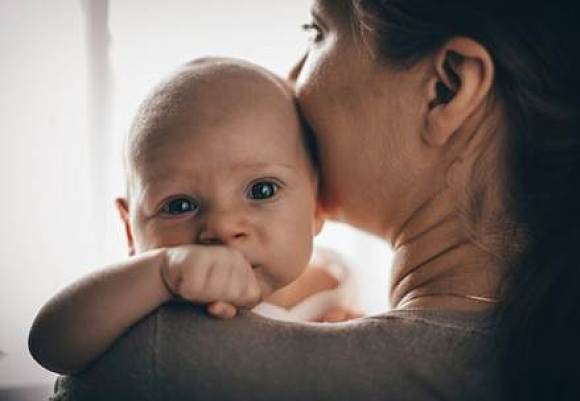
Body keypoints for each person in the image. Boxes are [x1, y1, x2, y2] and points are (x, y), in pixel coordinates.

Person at [49, 0, 580, 400]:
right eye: (180, 203)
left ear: (445, 87)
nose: (291, 77)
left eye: (318, 31)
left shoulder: (157, 365)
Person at [28, 57, 360, 375]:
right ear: (130, 230)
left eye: (261, 190)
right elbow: (49, 345)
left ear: (316, 205)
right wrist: (162, 275)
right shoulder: (141, 296)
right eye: (179, 206)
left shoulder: (338, 290)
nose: (222, 226)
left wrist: (342, 342)